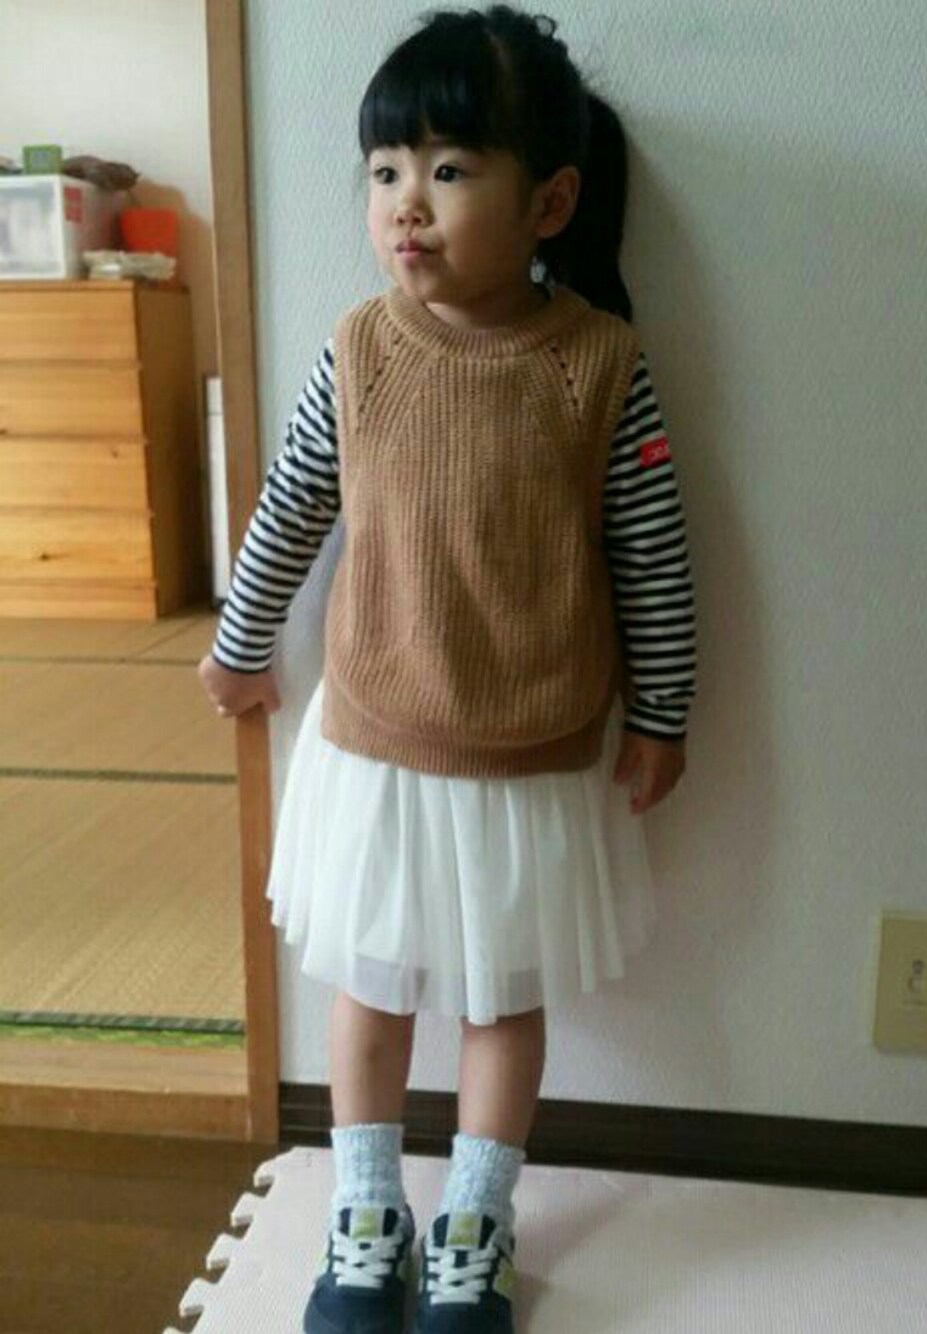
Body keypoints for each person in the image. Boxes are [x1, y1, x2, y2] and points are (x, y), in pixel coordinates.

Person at [198, 6, 698, 1332]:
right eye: (384, 170)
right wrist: (242, 643)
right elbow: (290, 506)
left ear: (551, 202)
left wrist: (664, 712)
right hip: (375, 743)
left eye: (449, 168)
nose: (405, 203)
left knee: (499, 1000)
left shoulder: (599, 366)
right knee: (367, 989)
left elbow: (652, 551)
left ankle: (475, 1217)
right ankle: (367, 1215)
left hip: (531, 758)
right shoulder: (360, 349)